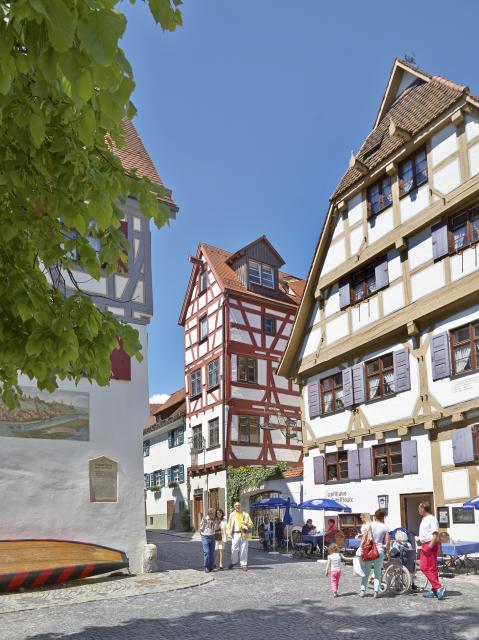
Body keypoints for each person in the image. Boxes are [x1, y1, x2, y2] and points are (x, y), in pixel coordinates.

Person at [358, 508, 390, 598]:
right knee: (377, 572)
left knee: (366, 571)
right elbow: (388, 541)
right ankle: (376, 592)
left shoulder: (370, 525)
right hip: (379, 551)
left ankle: (362, 591)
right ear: (383, 517)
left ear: (375, 516)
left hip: (369, 551)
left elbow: (364, 538)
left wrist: (361, 548)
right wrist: (387, 552)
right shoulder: (385, 527)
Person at [418, 501, 445, 599]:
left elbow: (435, 535)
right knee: (432, 569)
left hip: (430, 545)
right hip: (425, 544)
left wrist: (429, 547)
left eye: (419, 508)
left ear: (423, 508)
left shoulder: (432, 519)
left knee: (423, 567)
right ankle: (435, 590)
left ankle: (438, 587)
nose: (418, 510)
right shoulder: (424, 519)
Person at [227, 501, 253, 571]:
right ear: (234, 507)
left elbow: (251, 524)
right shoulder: (232, 515)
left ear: (240, 506)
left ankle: (243, 564)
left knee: (244, 549)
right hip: (235, 534)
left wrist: (247, 524)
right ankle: (234, 562)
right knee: (234, 549)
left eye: (239, 505)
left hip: (244, 533)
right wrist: (228, 533)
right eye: (236, 505)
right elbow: (229, 524)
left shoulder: (245, 514)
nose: (238, 506)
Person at [199, 508, 216, 573]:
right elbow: (201, 528)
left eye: (213, 513)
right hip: (205, 537)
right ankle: (206, 566)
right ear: (209, 513)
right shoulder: (204, 519)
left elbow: (215, 527)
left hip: (212, 536)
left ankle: (211, 566)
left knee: (212, 552)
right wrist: (203, 534)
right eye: (212, 513)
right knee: (207, 552)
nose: (213, 515)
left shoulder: (214, 519)